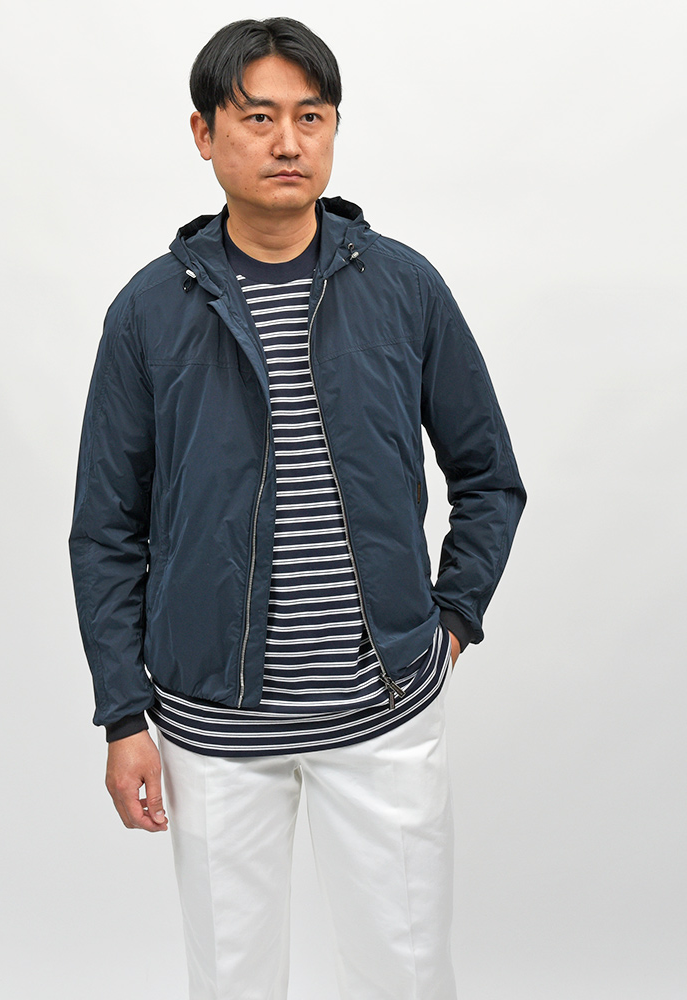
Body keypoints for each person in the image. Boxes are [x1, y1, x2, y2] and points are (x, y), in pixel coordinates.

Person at [69, 17, 525, 1000]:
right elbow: (105, 528)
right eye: (259, 117)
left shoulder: (402, 286)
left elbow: (488, 473)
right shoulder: (148, 312)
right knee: (231, 982)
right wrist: (122, 713)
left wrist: (451, 620)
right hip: (213, 727)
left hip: (385, 708)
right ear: (204, 133)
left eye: (310, 117)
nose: (288, 142)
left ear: (333, 130)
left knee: (407, 976)